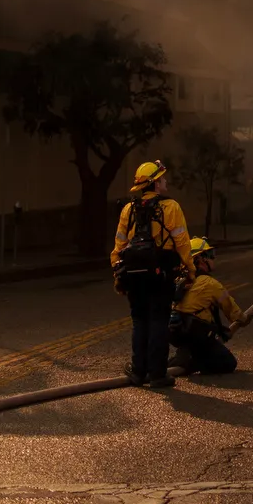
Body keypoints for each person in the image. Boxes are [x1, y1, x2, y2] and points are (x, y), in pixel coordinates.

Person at [111, 160, 193, 387]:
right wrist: (190, 270)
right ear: (155, 183)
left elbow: (119, 246)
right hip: (161, 273)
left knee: (139, 321)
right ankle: (157, 374)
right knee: (158, 320)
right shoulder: (171, 207)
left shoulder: (129, 209)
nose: (166, 181)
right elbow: (183, 243)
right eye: (163, 178)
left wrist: (118, 275)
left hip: (134, 275)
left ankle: (138, 372)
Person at [168, 238, 247, 377]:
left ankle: (183, 356)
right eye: (210, 255)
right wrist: (244, 318)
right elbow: (233, 311)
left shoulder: (179, 281)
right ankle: (193, 362)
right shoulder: (210, 284)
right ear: (200, 259)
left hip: (178, 335)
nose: (213, 258)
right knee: (228, 363)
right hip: (197, 337)